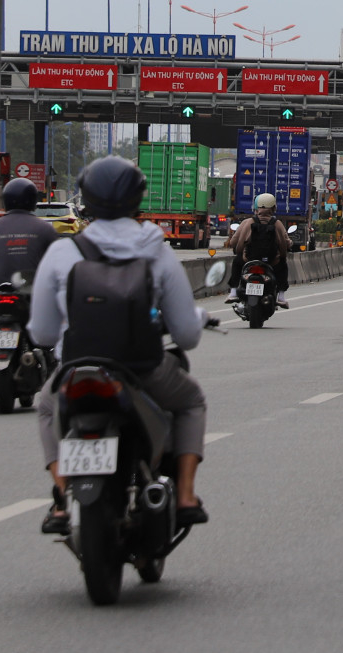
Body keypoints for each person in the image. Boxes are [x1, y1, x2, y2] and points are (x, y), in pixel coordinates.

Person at [29, 156, 211, 535]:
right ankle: (186, 496)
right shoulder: (158, 252)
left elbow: (43, 335)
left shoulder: (63, 253)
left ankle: (62, 498)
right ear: (138, 199)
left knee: (46, 407)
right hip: (142, 369)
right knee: (191, 401)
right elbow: (187, 336)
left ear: (86, 200)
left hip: (75, 369)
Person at [0, 177, 58, 348]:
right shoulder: (45, 229)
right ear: (33, 201)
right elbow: (56, 262)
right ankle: (48, 350)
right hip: (31, 294)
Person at [229, 193, 292, 307]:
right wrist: (288, 246)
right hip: (272, 262)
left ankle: (233, 292)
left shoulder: (247, 222)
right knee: (283, 265)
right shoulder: (277, 224)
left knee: (236, 262)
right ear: (273, 208)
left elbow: (233, 242)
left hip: (248, 259)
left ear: (257, 207)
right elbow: (285, 242)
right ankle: (281, 296)